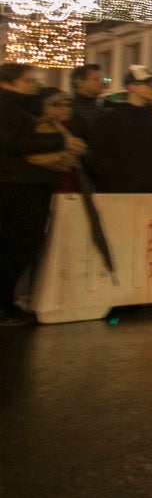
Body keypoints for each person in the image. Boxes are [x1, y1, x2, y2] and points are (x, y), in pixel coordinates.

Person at [0, 65, 86, 326]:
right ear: (8, 83)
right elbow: (13, 143)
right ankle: (3, 304)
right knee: (20, 243)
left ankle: (6, 301)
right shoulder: (8, 108)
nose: (33, 84)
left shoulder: (21, 107)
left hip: (28, 182)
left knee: (20, 244)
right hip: (17, 183)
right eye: (27, 80)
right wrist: (61, 143)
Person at [88, 66, 152, 193]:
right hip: (120, 190)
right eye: (148, 84)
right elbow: (98, 155)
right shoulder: (112, 117)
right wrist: (116, 178)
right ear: (131, 87)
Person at [67, 63, 106, 138]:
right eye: (96, 79)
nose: (102, 83)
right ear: (79, 83)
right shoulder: (70, 110)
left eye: (101, 79)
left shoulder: (102, 108)